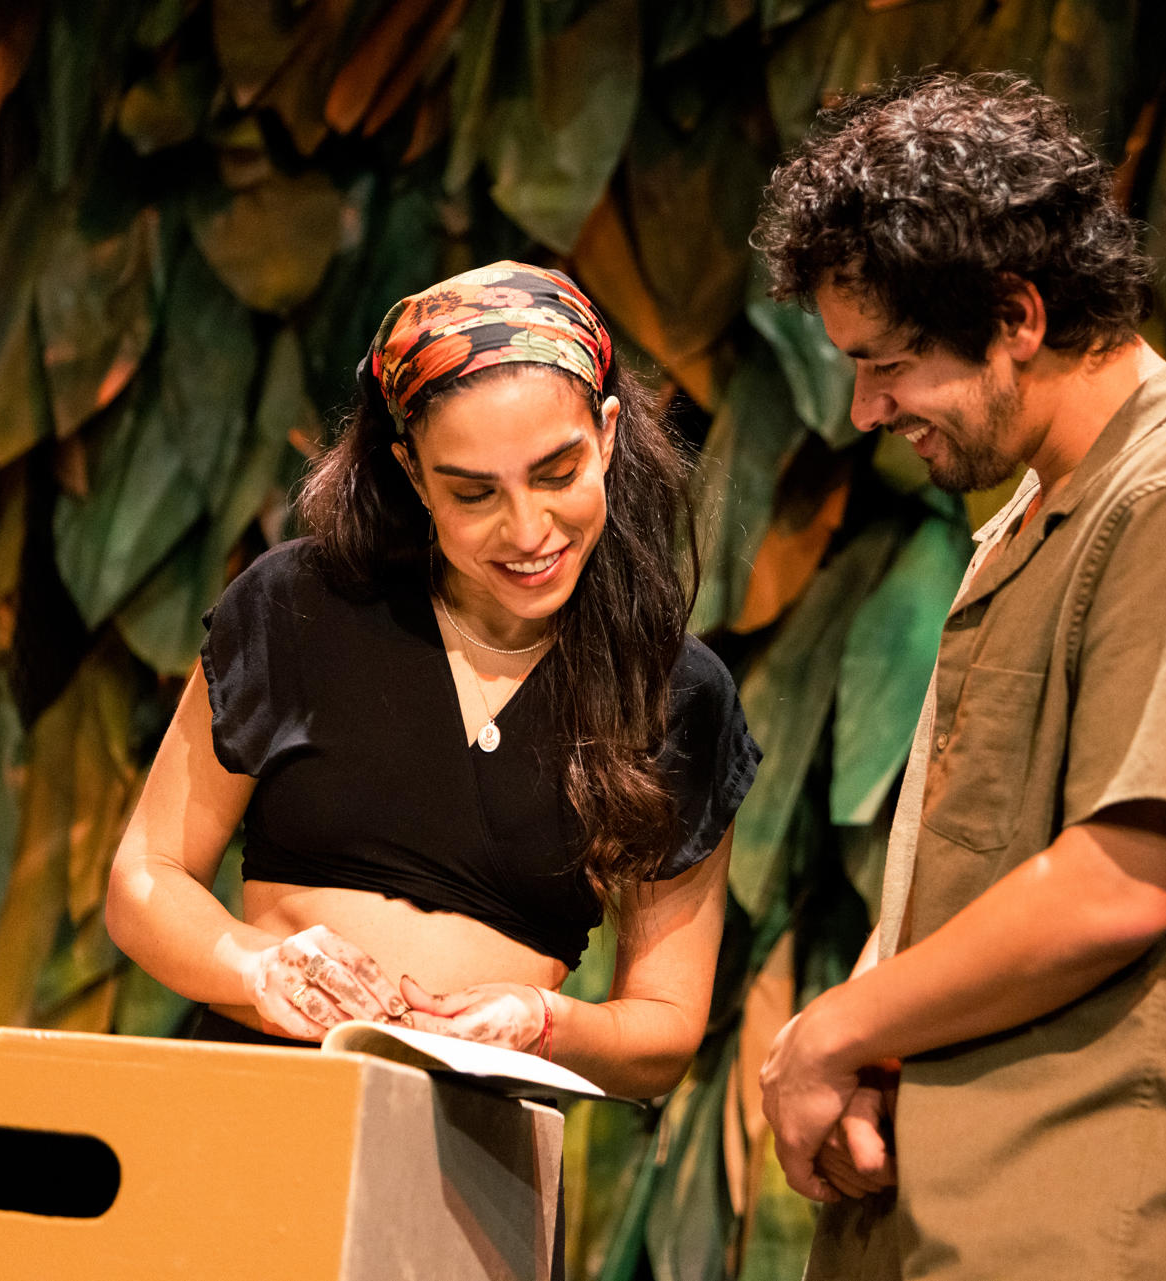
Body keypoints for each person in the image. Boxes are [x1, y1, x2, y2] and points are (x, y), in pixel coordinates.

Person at [752, 73, 1166, 1280]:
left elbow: (1112, 888)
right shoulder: (1039, 520)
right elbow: (962, 872)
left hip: (1083, 1225)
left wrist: (832, 1031)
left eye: (890, 363)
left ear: (1017, 315)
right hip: (944, 1218)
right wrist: (868, 1044)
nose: (864, 409)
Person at [104, 262, 759, 1105]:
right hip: (254, 1109)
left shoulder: (672, 691)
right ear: (413, 474)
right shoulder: (299, 605)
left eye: (556, 474)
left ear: (605, 435)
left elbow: (663, 1028)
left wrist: (543, 1021)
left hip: (478, 1149)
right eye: (474, 494)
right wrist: (256, 967)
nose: (528, 529)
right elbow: (146, 876)